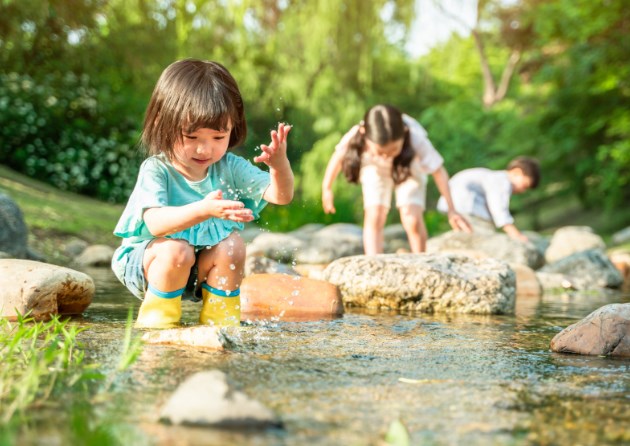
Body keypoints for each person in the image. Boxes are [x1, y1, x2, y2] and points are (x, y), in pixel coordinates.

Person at [111, 59, 294, 329]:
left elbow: (281, 196)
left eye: (218, 138)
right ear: (164, 122)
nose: (205, 149)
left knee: (233, 246)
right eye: (192, 137)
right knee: (176, 249)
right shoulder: (157, 169)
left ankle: (221, 326)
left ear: (233, 127)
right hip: (150, 264)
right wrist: (203, 210)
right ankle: (156, 326)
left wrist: (280, 166)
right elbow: (155, 223)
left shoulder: (229, 167)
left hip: (195, 269)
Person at [322, 104, 471, 254]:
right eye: (381, 151)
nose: (387, 156)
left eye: (393, 149)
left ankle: (420, 258)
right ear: (364, 134)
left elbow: (439, 171)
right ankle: (373, 261)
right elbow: (337, 158)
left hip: (408, 166)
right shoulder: (357, 134)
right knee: (375, 213)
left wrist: (452, 209)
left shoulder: (414, 135)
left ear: (404, 134)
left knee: (410, 216)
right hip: (374, 167)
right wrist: (327, 188)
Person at [437, 157, 540, 242]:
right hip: (466, 205)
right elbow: (499, 210)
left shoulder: (492, 176)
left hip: (452, 204)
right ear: (516, 172)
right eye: (524, 186)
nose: (522, 191)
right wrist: (516, 234)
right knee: (485, 236)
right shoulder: (502, 181)